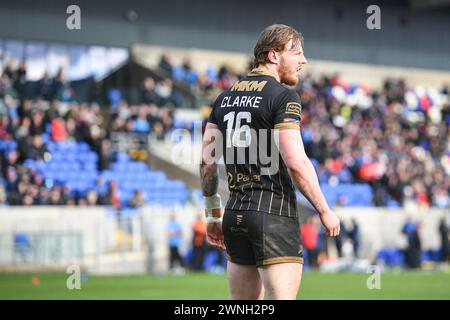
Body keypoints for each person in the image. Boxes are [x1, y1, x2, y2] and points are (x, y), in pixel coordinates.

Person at [200, 24, 340, 300]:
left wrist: (212, 214)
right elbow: (295, 161)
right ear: (273, 56)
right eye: (296, 53)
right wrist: (324, 210)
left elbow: (207, 163)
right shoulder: (283, 96)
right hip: (273, 214)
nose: (303, 61)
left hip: (234, 214)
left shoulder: (223, 99)